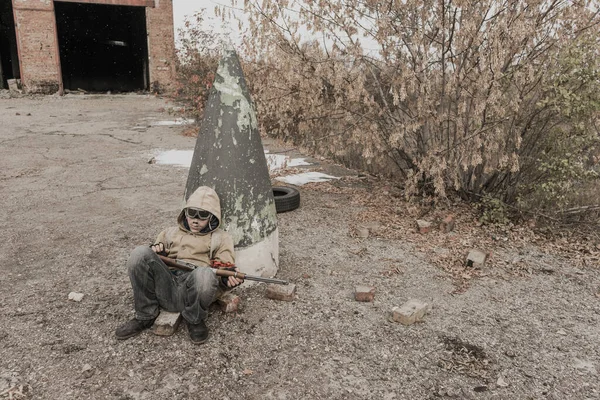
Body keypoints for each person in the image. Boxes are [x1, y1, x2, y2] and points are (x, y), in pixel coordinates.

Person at [115, 186, 242, 344]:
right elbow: (151, 257)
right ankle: (146, 315)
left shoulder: (221, 238)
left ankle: (195, 319)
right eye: (191, 213)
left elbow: (223, 265)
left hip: (193, 289)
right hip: (165, 286)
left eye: (202, 215)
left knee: (205, 273)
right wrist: (158, 252)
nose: (195, 220)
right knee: (139, 253)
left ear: (212, 216)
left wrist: (227, 278)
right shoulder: (169, 233)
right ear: (185, 212)